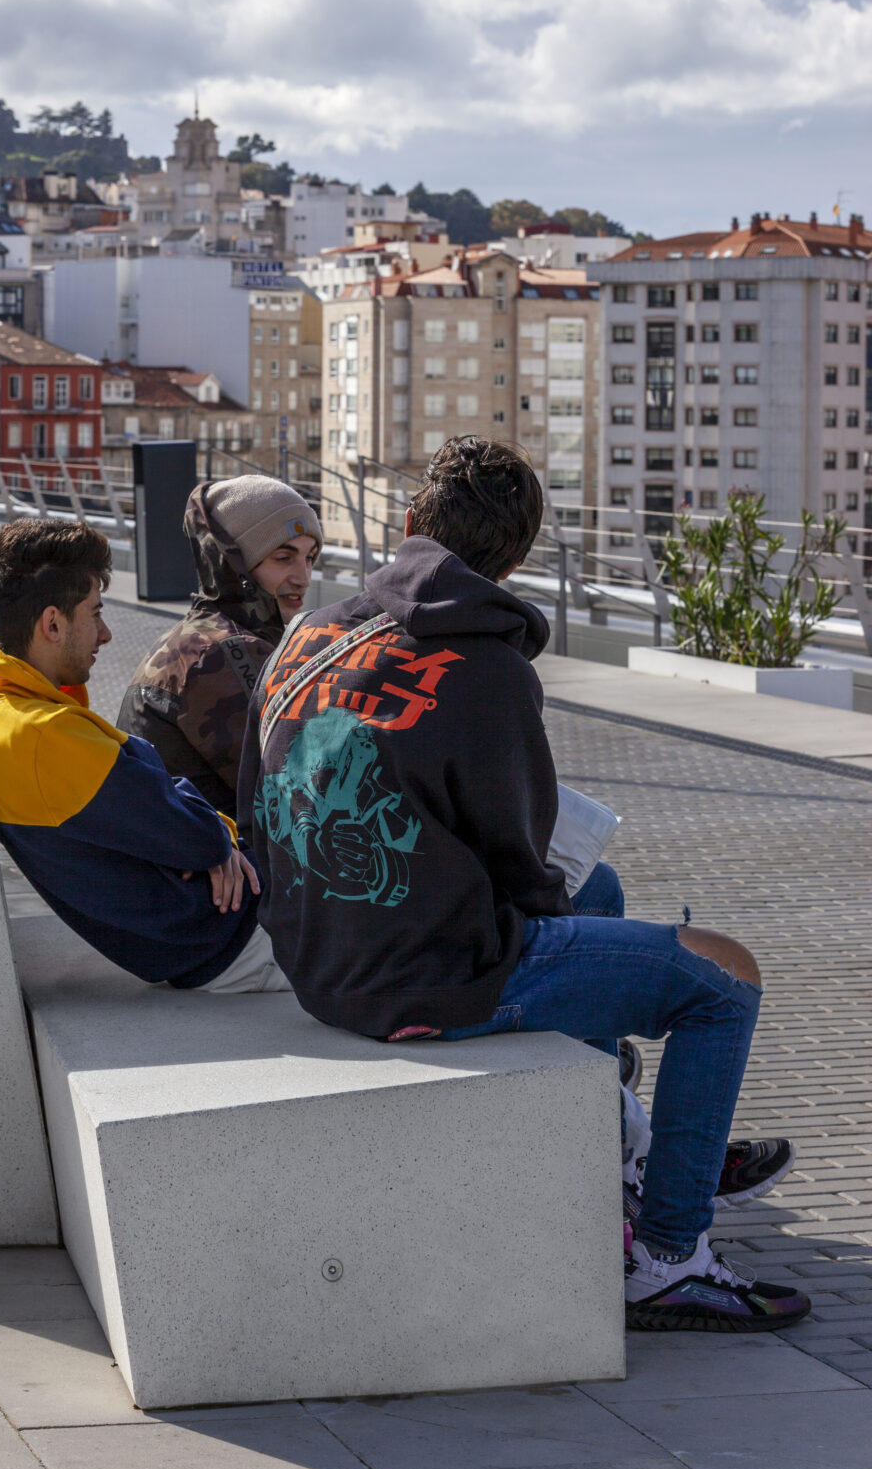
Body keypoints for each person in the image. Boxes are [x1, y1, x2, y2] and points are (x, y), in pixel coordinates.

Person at [238, 436, 807, 1335]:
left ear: (411, 522)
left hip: (318, 961)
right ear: (515, 560)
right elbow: (519, 857)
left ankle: (610, 1155)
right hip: (423, 982)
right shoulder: (490, 667)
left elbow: (257, 805)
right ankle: (668, 1261)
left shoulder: (308, 636)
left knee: (601, 891)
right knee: (723, 978)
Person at [0, 516, 287, 993]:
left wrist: (207, 833)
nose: (106, 633)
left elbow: (172, 810)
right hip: (238, 940)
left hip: (201, 941)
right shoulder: (48, 737)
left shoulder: (4, 711)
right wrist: (215, 835)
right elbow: (196, 837)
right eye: (94, 613)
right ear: (52, 624)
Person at [118, 477, 323, 815]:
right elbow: (302, 796)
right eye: (283, 558)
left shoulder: (199, 638)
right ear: (235, 563)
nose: (303, 577)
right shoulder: (223, 652)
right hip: (212, 846)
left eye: (310, 558)